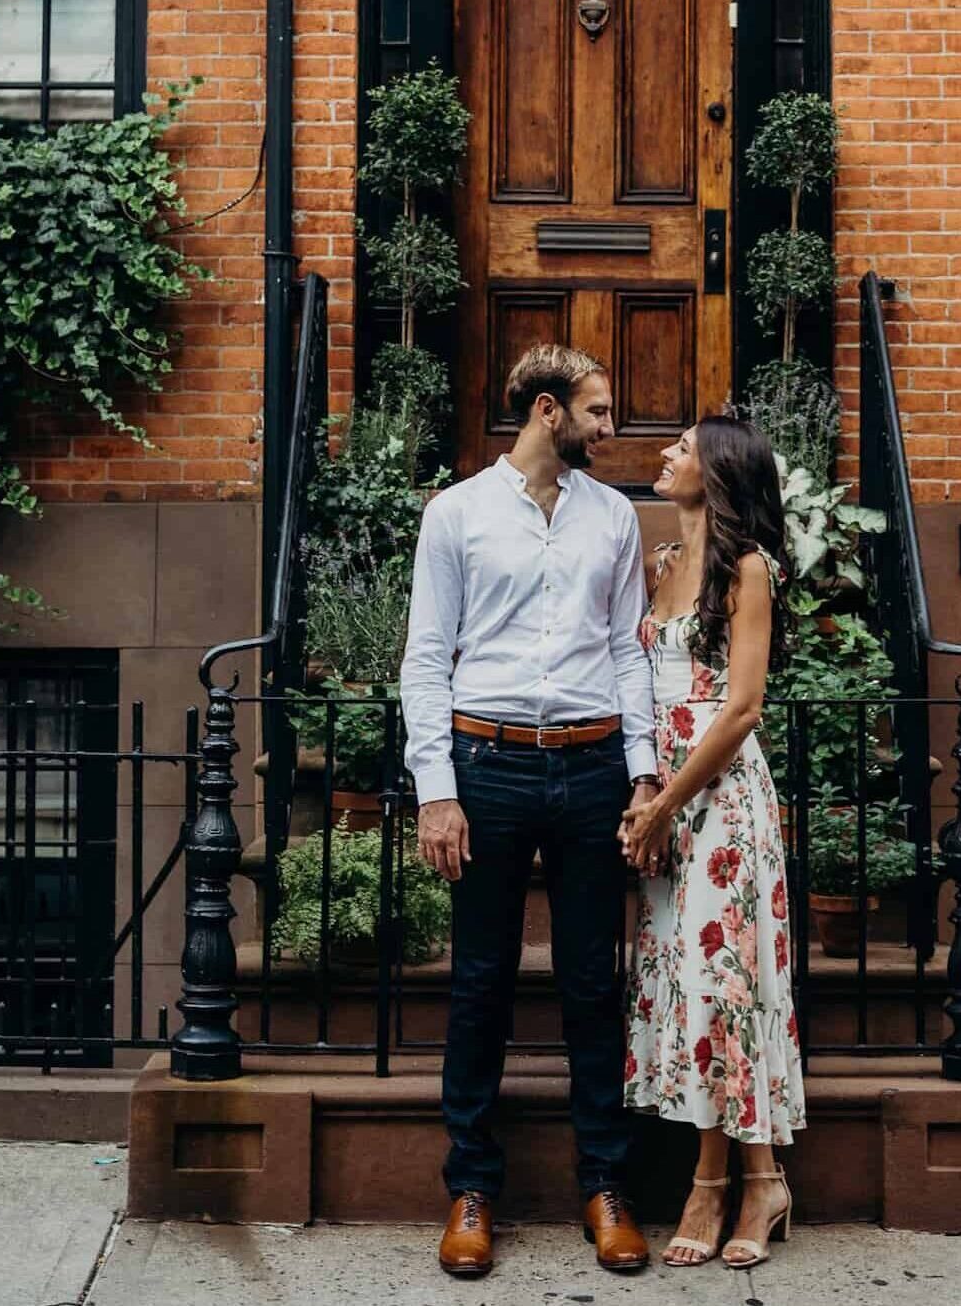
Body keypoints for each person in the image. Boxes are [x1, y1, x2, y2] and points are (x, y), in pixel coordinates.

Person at [400, 343, 660, 1279]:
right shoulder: (456, 514)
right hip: (488, 765)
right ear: (547, 411)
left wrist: (642, 774)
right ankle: (471, 1188)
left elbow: (628, 651)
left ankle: (606, 1186)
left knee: (595, 984)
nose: (609, 427)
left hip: (593, 769)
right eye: (596, 412)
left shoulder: (615, 517)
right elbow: (426, 657)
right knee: (481, 985)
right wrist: (436, 790)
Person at [620, 415, 805, 1269]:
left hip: (722, 798)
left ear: (719, 472)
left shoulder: (747, 570)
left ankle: (712, 1184)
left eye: (682, 448)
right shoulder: (662, 566)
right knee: (692, 982)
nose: (665, 454)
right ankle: (761, 1179)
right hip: (666, 788)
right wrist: (645, 792)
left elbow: (741, 709)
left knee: (721, 982)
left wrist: (669, 805)